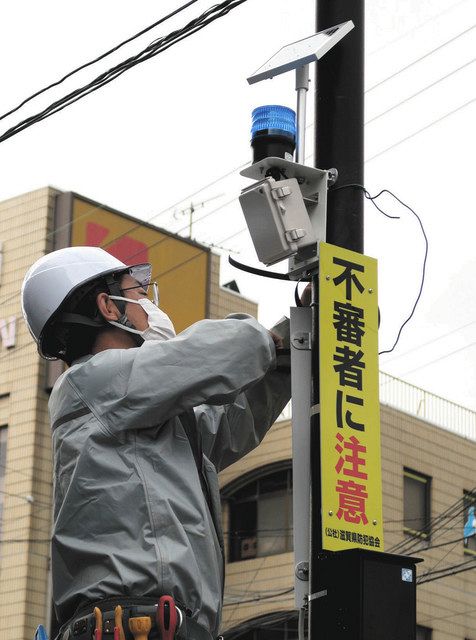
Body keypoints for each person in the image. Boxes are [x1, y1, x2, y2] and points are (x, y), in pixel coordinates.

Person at [21, 246, 295, 640]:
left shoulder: (135, 404)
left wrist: (291, 345)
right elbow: (211, 356)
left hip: (159, 624)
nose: (149, 306)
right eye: (138, 294)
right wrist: (271, 339)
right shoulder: (93, 382)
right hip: (134, 624)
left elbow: (228, 423)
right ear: (108, 307)